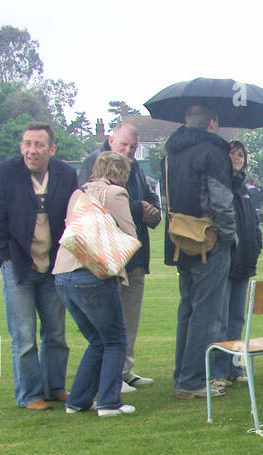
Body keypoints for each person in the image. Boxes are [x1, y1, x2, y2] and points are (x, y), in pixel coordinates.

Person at [0, 122, 79, 410]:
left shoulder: (66, 173)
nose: (31, 150)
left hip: (53, 266)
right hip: (19, 266)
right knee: (24, 335)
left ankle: (55, 388)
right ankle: (29, 394)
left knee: (56, 334)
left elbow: (74, 215)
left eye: (38, 145)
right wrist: (6, 253)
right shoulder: (5, 173)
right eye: (27, 144)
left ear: (52, 149)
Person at [54, 151, 139, 416]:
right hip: (93, 274)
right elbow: (129, 234)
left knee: (97, 341)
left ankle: (77, 400)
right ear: (121, 172)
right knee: (115, 340)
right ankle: (109, 402)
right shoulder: (115, 194)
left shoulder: (77, 194)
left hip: (63, 274)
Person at [79, 121, 161, 391]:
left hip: (135, 255)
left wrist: (152, 212)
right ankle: (110, 375)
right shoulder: (95, 162)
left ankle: (125, 369)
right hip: (108, 256)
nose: (128, 150)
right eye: (124, 144)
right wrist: (139, 209)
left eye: (133, 147)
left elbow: (151, 201)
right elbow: (94, 205)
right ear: (112, 140)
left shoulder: (135, 168)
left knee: (130, 315)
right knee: (111, 319)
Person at [163, 103, 236, 400]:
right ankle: (191, 380)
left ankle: (183, 374)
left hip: (180, 239)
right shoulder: (212, 152)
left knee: (188, 310)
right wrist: (229, 235)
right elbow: (221, 201)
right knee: (205, 314)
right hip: (209, 241)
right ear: (212, 123)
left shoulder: (171, 153)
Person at [219, 140, 263, 385]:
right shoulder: (223, 185)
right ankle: (218, 371)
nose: (236, 158)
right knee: (222, 318)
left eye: (240, 154)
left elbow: (252, 223)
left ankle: (234, 369)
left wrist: (256, 245)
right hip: (227, 261)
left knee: (237, 318)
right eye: (232, 154)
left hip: (244, 261)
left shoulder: (244, 189)